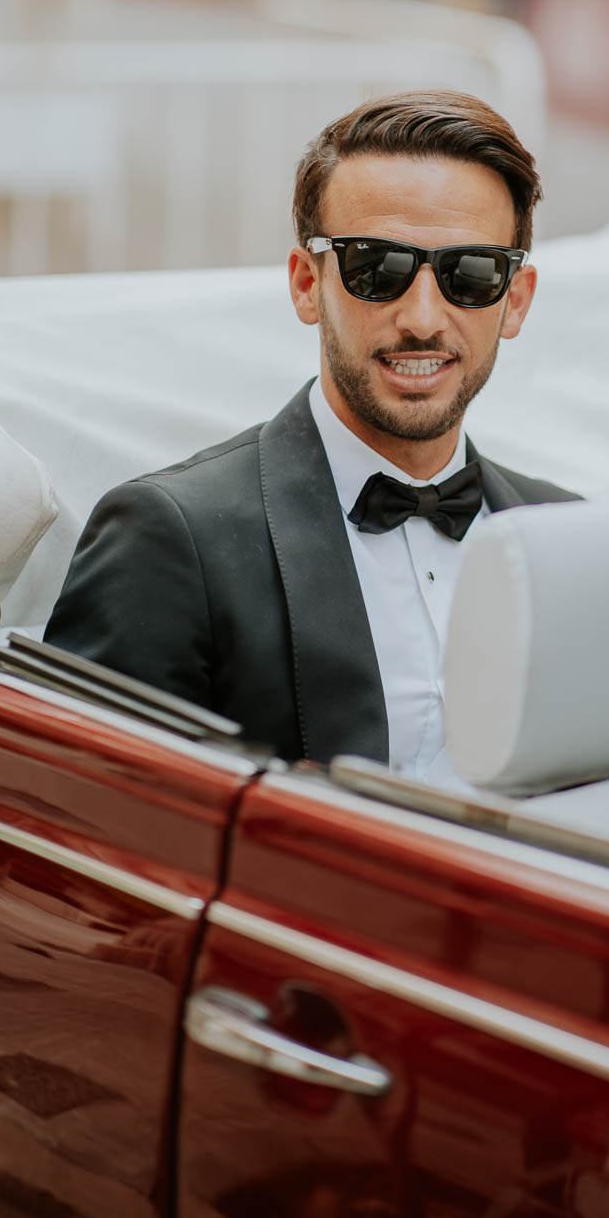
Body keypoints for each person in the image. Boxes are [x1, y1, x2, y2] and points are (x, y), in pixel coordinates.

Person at [46, 90, 579, 774]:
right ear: (306, 283)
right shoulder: (171, 535)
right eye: (375, 268)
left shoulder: (564, 536)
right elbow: (84, 815)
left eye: (469, 275)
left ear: (516, 300)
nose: (422, 317)